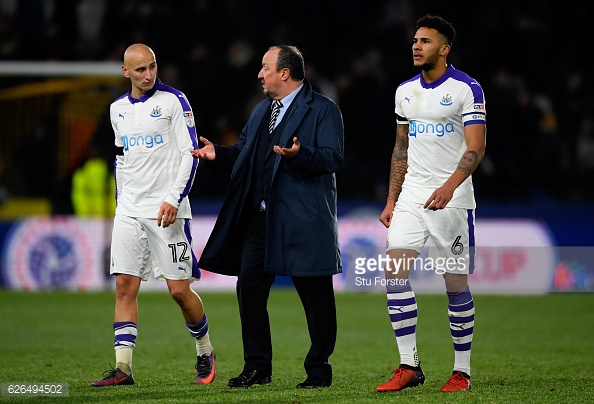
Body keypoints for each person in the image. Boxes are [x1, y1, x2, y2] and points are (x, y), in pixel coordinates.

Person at [191, 45, 343, 389]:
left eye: (265, 68)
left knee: (315, 294)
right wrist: (220, 155)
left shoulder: (323, 109)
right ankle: (258, 367)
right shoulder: (262, 111)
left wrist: (301, 155)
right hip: (259, 220)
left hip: (301, 219)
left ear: (284, 73)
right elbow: (245, 154)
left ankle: (319, 369)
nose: (259, 74)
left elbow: (333, 158)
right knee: (250, 291)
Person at [91, 43, 215, 387]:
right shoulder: (117, 110)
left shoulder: (174, 101)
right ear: (125, 72)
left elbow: (190, 154)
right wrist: (121, 203)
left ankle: (205, 351)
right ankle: (123, 368)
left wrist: (174, 198)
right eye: (140, 69)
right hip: (129, 211)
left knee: (178, 291)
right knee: (124, 287)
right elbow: (121, 159)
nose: (148, 75)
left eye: (152, 67)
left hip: (167, 211)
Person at [376, 15, 486, 393]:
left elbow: (476, 147)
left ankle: (462, 371)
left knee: (454, 283)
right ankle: (409, 365)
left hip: (451, 202)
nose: (416, 46)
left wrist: (450, 187)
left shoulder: (466, 89)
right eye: (414, 41)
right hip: (412, 197)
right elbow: (401, 148)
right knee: (394, 271)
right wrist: (392, 199)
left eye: (425, 41)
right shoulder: (404, 91)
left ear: (444, 48)